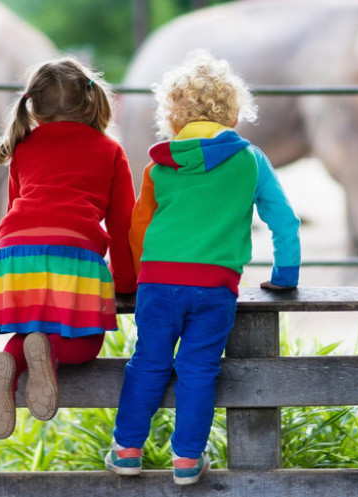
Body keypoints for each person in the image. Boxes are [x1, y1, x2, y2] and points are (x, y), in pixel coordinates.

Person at [104, 50, 300, 484]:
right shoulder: (249, 159)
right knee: (198, 369)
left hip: (157, 283)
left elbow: (139, 225)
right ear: (233, 110)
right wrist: (285, 277)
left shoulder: (160, 164)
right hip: (215, 287)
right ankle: (187, 460)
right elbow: (283, 219)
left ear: (172, 115)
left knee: (148, 363)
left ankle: (127, 451)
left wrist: (136, 279)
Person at [0, 57, 137, 440]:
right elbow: (124, 224)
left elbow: (16, 215)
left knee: (30, 331)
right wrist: (126, 281)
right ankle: (50, 351)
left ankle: (10, 362)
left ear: (35, 108)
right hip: (74, 253)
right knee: (85, 344)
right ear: (91, 101)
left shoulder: (23, 147)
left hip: (13, 258)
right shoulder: (110, 151)